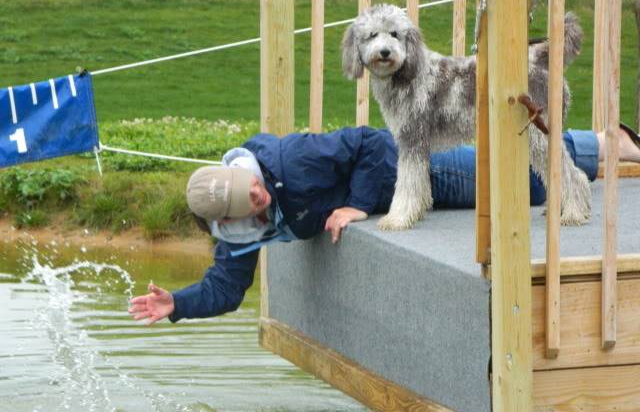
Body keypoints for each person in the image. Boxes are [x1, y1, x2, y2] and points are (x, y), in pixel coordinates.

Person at [128, 124, 640, 325]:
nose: (257, 194)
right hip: (407, 195)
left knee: (526, 175)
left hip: (421, 169)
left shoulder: (291, 161)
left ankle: (609, 141)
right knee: (529, 181)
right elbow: (226, 288)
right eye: (248, 201)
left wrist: (355, 204)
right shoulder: (240, 233)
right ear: (230, 218)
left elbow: (373, 143)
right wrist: (178, 303)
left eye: (253, 186)